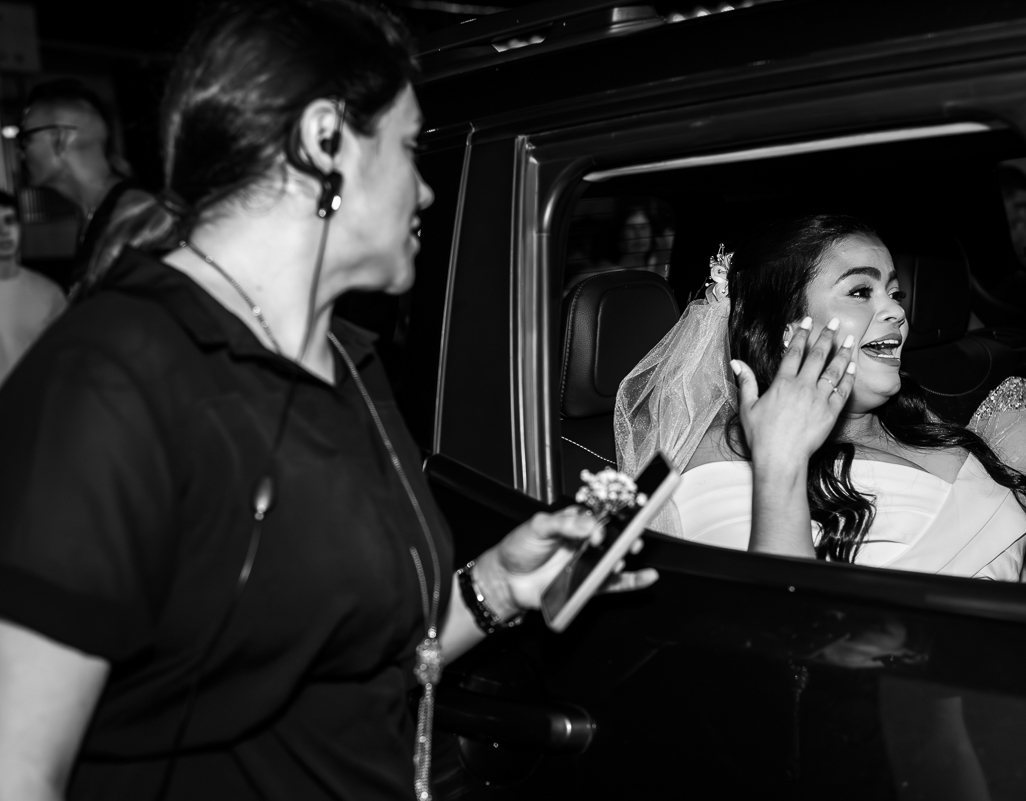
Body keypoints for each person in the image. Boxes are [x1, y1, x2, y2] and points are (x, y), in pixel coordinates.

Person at [0, 3, 654, 800]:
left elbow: (360, 658)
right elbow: (18, 763)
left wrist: (496, 586)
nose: (425, 189)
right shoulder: (113, 375)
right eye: (410, 149)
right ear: (323, 141)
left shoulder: (349, 356)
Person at [615, 214, 1026, 582]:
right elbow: (780, 642)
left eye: (894, 292)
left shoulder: (912, 422)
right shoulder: (718, 465)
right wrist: (782, 464)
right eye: (859, 292)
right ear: (786, 332)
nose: (896, 310)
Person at [19, 78, 153, 289]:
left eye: (26, 139)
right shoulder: (96, 213)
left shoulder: (136, 215)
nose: (21, 153)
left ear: (59, 138)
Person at [0, 190, 66, 385]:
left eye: (10, 221)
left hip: (30, 407)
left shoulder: (48, 293)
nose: (3, 231)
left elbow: (64, 361)